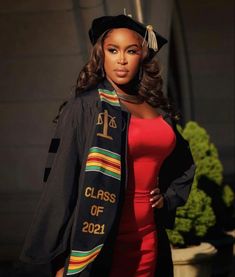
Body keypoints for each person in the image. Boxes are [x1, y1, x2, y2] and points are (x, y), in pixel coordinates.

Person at [20, 14, 195, 277]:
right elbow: (61, 182)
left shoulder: (158, 111)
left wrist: (167, 198)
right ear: (102, 54)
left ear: (143, 56)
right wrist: (58, 258)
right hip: (99, 240)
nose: (122, 60)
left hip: (149, 238)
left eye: (131, 51)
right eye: (113, 50)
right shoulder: (86, 107)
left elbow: (184, 164)